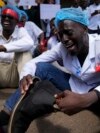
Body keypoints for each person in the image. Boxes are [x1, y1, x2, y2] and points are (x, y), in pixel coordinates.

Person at [0, 7, 100, 132]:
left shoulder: (98, 45)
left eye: (68, 32)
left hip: (96, 93)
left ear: (85, 28)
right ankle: (6, 113)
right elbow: (34, 62)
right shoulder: (61, 47)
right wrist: (25, 77)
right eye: (60, 34)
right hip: (75, 86)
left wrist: (88, 98)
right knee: (42, 68)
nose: (64, 39)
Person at [0, 5, 33, 88]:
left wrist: (4, 47)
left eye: (10, 17)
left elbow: (29, 42)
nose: (6, 19)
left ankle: (25, 88)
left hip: (15, 76)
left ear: (17, 22)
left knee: (25, 52)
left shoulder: (21, 31)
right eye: (4, 16)